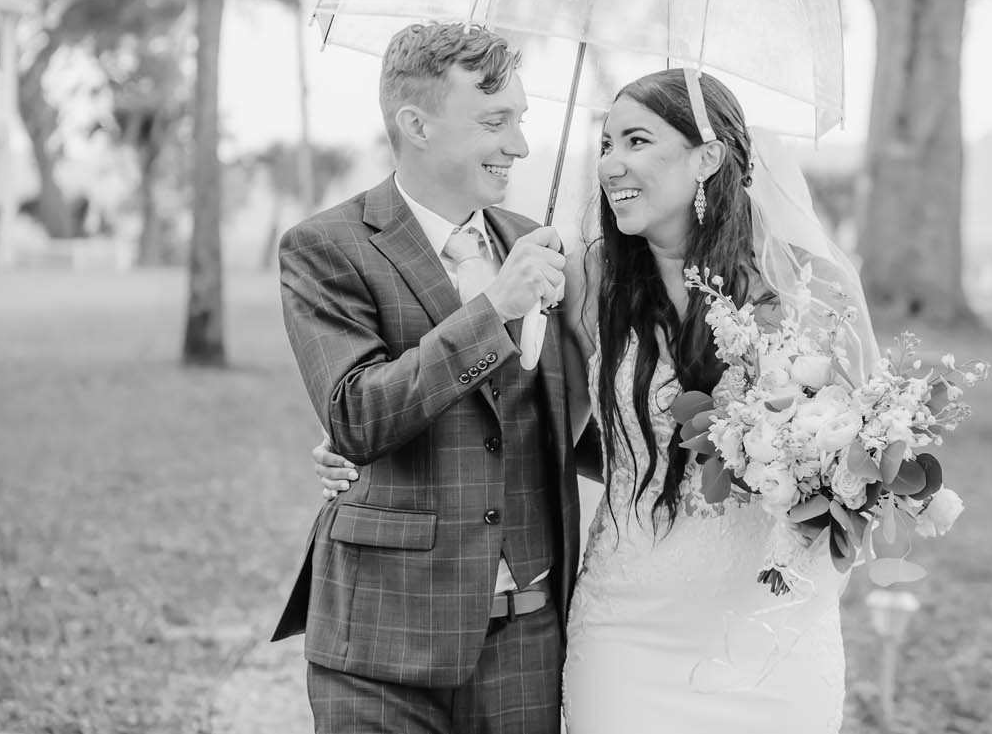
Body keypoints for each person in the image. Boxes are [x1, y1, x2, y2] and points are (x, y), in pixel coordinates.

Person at [317, 69, 860, 732]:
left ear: (708, 157)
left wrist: (830, 476)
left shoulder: (807, 287)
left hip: (768, 620)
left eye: (636, 141)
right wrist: (360, 447)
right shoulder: (588, 277)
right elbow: (524, 413)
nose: (611, 163)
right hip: (628, 618)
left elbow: (861, 454)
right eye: (606, 143)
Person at [274, 20, 595, 734]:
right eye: (494, 121)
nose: (519, 145)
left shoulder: (538, 247)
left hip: (526, 644)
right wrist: (494, 308)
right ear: (416, 125)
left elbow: (578, 423)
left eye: (521, 120)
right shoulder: (326, 247)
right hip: (380, 642)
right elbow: (355, 417)